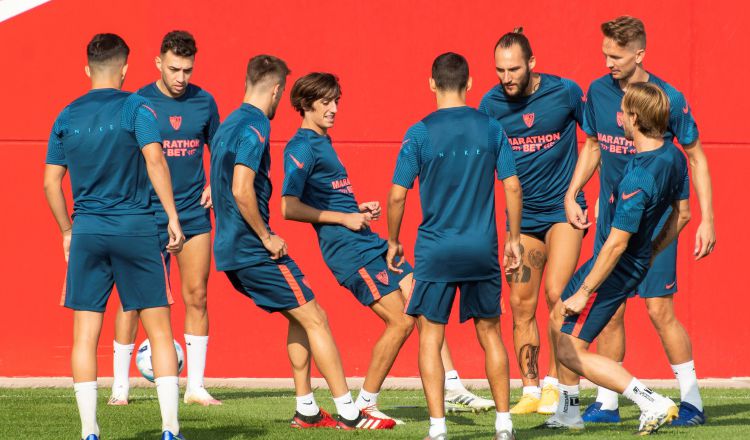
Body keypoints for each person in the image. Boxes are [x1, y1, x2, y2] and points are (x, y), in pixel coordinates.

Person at [210, 55, 394, 430]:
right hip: (252, 248)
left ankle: (307, 409)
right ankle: (349, 411)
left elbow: (220, 185)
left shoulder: (228, 123)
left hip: (229, 247)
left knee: (299, 314)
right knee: (317, 319)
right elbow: (241, 187)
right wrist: (266, 235)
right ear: (277, 91)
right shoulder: (256, 124)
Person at [565, 16, 714, 426]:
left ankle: (692, 401)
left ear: (639, 54)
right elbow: (593, 146)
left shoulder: (667, 97)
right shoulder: (597, 91)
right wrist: (573, 190)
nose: (608, 61)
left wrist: (707, 219)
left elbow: (696, 156)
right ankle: (608, 405)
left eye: (615, 55)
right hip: (613, 222)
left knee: (658, 309)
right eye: (604, 54)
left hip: (652, 226)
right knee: (610, 312)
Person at [43, 33, 186, 440]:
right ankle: (171, 429)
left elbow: (51, 183)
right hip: (137, 228)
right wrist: (173, 218)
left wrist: (67, 231)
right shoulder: (136, 107)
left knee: (85, 336)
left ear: (88, 69)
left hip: (87, 230)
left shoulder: (66, 115)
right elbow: (155, 160)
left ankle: (89, 430)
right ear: (125, 69)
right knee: (159, 329)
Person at [387, 52, 523, 440]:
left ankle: (438, 429)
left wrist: (394, 239)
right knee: (491, 335)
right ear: (470, 84)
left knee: (431, 337)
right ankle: (503, 425)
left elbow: (397, 195)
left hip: (435, 251)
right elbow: (512, 185)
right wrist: (513, 238)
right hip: (481, 248)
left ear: (431, 84)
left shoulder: (419, 133)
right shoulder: (492, 128)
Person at [545, 82, 692, 436]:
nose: (619, 118)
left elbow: (615, 243)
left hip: (614, 265)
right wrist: (653, 250)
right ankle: (568, 413)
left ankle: (648, 400)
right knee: (556, 316)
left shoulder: (639, 176)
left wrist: (585, 291)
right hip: (631, 261)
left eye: (624, 112)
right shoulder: (673, 156)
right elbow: (682, 214)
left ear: (635, 118)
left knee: (568, 350)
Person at [110, 30, 221, 407]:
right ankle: (119, 388)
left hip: (193, 214)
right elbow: (122, 156)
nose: (181, 78)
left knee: (198, 295)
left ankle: (195, 387)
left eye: (187, 70)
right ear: (158, 63)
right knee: (133, 301)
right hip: (146, 215)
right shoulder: (137, 102)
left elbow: (220, 150)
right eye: (174, 68)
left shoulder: (205, 102)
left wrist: (216, 187)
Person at [479, 27, 586, 415]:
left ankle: (557, 386)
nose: (506, 78)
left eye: (514, 69)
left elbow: (596, 143)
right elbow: (480, 161)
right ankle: (530, 389)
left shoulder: (565, 92)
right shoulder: (489, 105)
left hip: (563, 212)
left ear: (532, 64)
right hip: (522, 220)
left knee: (557, 294)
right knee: (520, 303)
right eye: (500, 70)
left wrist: (576, 192)